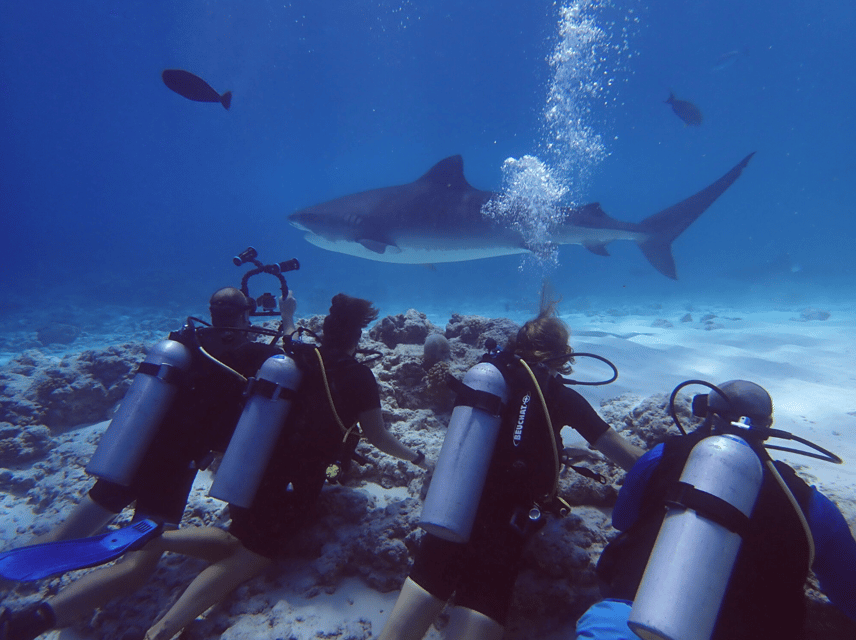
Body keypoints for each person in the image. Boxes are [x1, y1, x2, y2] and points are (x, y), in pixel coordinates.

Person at [132, 293, 429, 640]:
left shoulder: (301, 354)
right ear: (357, 337)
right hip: (295, 480)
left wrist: (289, 313)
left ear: (326, 331)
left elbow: (289, 333)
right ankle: (164, 628)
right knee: (255, 554)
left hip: (256, 465)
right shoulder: (359, 376)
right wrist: (419, 459)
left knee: (239, 535)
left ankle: (155, 538)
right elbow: (378, 437)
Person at [0, 287, 287, 640]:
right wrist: (287, 318)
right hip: (170, 468)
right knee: (136, 566)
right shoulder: (253, 354)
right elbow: (288, 362)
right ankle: (26, 625)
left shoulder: (185, 342)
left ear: (212, 312)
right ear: (246, 314)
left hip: (132, 450)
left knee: (66, 534)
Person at [378, 301, 643, 640]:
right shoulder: (560, 396)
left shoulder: (488, 378)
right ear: (562, 355)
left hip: (454, 504)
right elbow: (626, 456)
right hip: (504, 525)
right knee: (484, 594)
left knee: (426, 583)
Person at [575, 379, 856, 640]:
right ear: (768, 427)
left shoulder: (658, 459)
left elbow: (623, 520)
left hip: (632, 622)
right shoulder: (809, 504)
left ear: (706, 414)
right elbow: (850, 592)